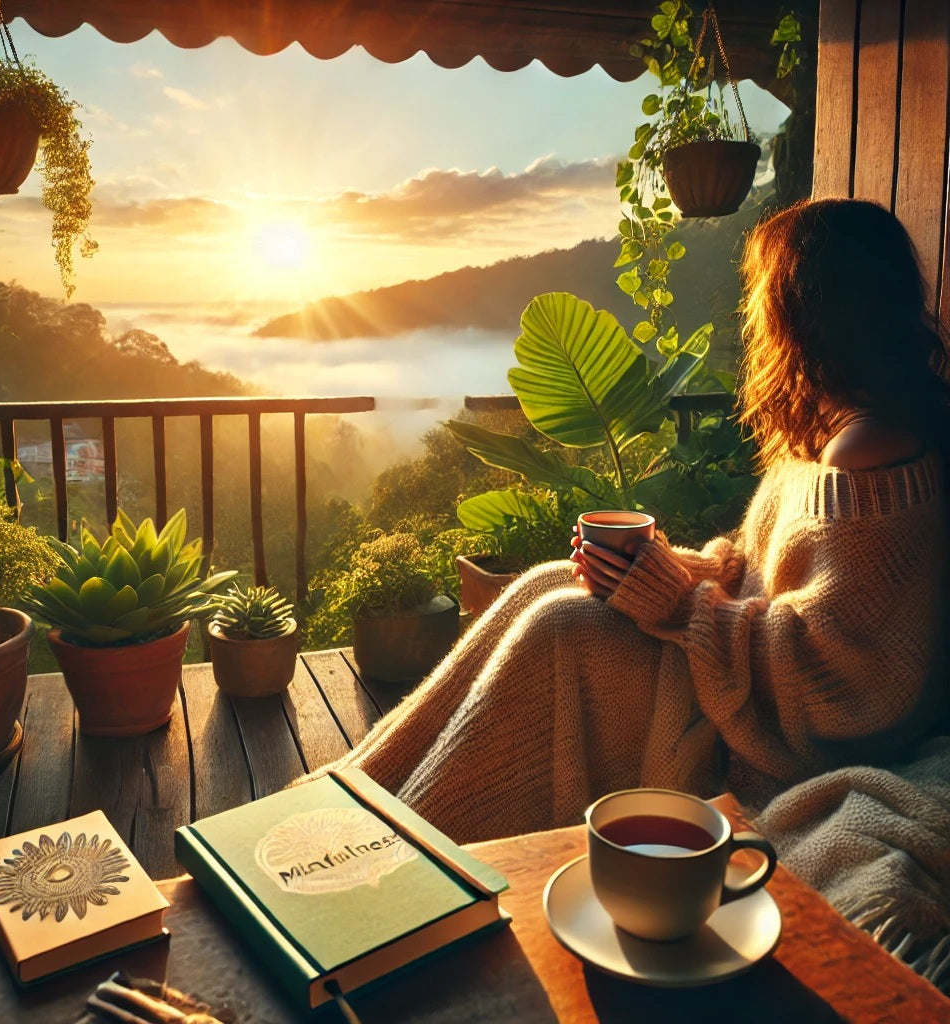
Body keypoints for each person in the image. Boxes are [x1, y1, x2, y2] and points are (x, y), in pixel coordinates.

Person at [315, 198, 950, 844]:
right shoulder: (834, 434)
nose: (757, 318)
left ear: (810, 311)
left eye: (766, 300)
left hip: (757, 736)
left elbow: (844, 684)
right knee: (547, 582)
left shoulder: (868, 453)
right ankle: (356, 793)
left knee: (563, 626)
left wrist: (678, 602)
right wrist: (672, 571)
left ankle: (388, 851)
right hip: (726, 680)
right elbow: (765, 575)